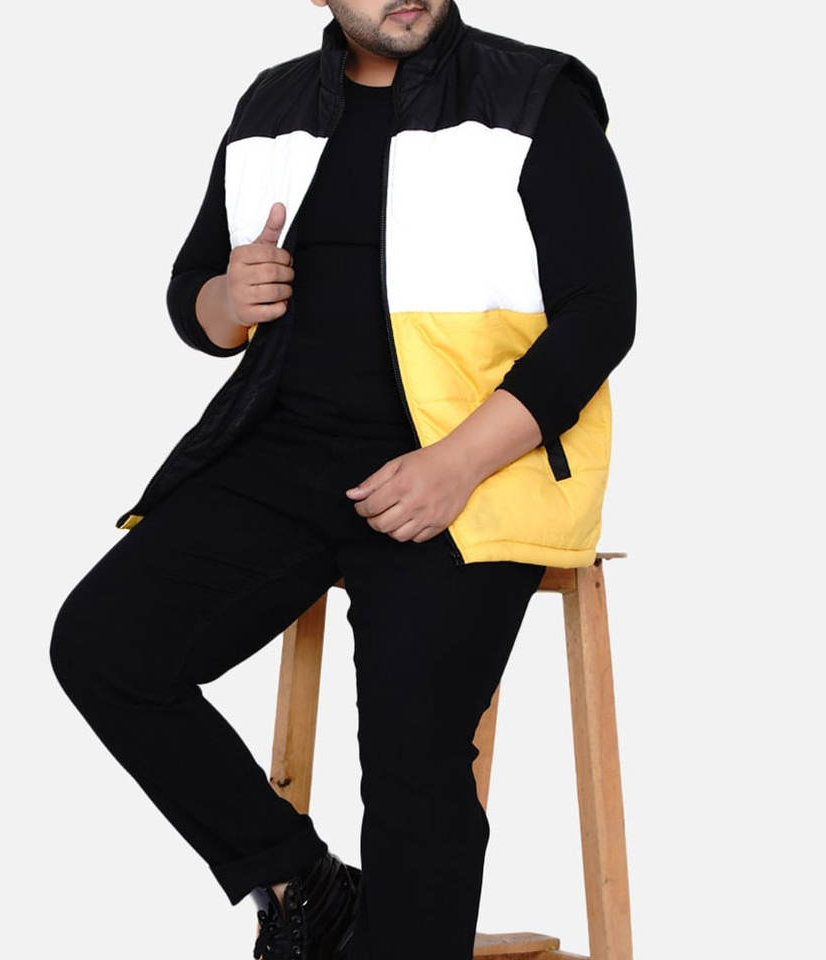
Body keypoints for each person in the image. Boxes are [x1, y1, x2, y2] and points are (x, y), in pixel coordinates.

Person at [49, 1, 636, 958]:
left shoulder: (536, 94)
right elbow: (194, 293)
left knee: (413, 755)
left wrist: (456, 464)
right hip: (285, 456)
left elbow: (601, 315)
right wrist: (228, 299)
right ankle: (304, 888)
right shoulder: (273, 104)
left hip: (475, 461)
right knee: (104, 647)